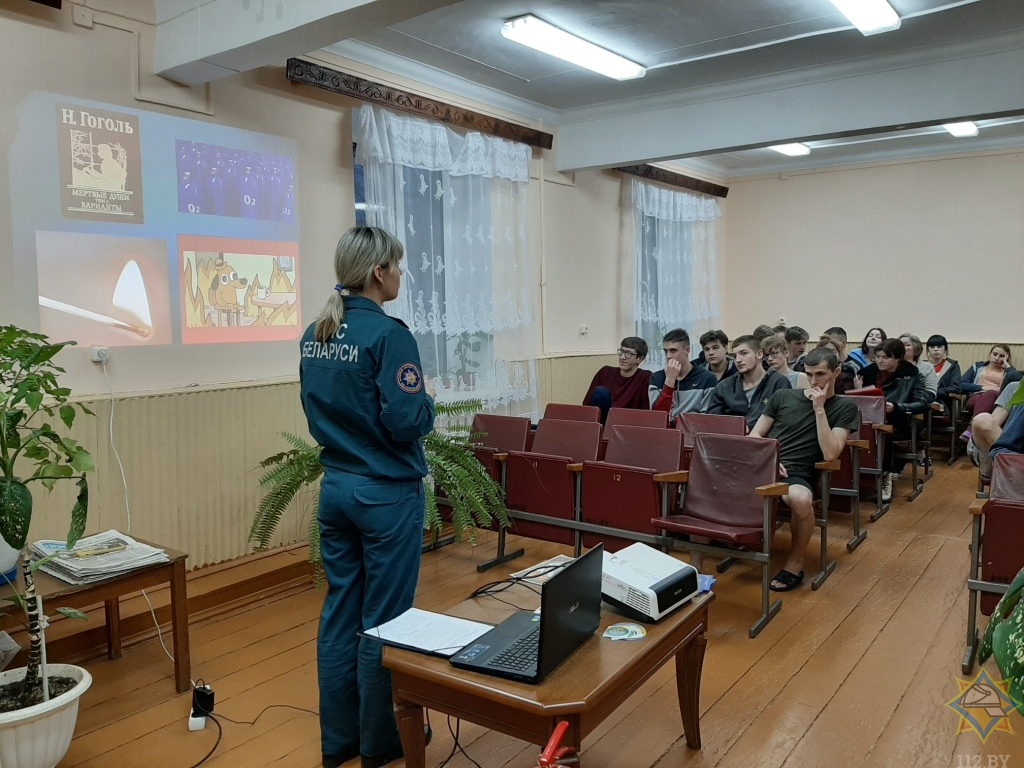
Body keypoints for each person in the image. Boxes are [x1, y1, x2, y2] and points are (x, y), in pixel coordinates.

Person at [299, 227, 436, 768]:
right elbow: (405, 421)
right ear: (380, 272)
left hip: (336, 489)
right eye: (398, 267)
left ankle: (340, 743)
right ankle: (382, 743)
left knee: (339, 615)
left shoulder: (317, 331)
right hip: (386, 495)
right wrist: (424, 401)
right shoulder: (389, 335)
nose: (401, 275)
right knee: (386, 619)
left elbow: (315, 410)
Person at [750, 347, 860, 592]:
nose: (813, 381)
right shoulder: (783, 396)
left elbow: (831, 453)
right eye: (809, 374)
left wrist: (819, 409)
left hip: (796, 474)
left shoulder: (845, 407)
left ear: (837, 372)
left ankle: (795, 562)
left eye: (820, 374)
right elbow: (755, 434)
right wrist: (769, 458)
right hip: (764, 466)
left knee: (801, 500)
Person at [857, 338, 930, 501]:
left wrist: (896, 407)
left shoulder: (911, 374)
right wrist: (858, 390)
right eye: (877, 356)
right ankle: (858, 477)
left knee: (884, 430)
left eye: (885, 357)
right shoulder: (866, 372)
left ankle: (885, 474)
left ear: (897, 358)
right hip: (869, 417)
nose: (879, 361)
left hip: (900, 420)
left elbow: (922, 404)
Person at [706, 335, 791, 430]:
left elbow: (784, 422)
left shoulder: (779, 383)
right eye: (734, 356)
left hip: (765, 441)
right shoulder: (724, 387)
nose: (738, 360)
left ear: (759, 355)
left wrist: (751, 429)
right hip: (731, 440)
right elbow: (712, 423)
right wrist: (738, 429)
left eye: (744, 353)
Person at [649, 328, 718, 419]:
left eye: (673, 351)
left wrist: (674, 422)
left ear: (687, 350)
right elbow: (657, 417)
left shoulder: (707, 378)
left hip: (692, 432)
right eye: (666, 351)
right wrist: (669, 381)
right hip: (665, 432)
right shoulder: (656, 378)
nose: (668, 356)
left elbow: (705, 419)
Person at [583, 337, 651, 422]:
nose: (622, 357)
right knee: (601, 392)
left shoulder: (645, 377)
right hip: (602, 423)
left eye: (628, 354)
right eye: (621, 351)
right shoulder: (605, 372)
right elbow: (587, 405)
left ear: (640, 359)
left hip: (627, 424)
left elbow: (646, 412)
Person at [969, 380, 1021, 479]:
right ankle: (1008, 466)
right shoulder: (1015, 387)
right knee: (982, 420)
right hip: (1008, 450)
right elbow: (994, 421)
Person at [960, 345, 1016, 433]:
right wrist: (982, 387)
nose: (997, 358)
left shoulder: (1009, 372)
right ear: (990, 354)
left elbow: (1016, 385)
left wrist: (1008, 366)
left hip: (996, 401)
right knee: (987, 396)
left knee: (990, 394)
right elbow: (961, 384)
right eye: (995, 354)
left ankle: (971, 430)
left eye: (1001, 356)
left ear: (1007, 357)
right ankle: (974, 430)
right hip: (976, 397)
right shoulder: (977, 367)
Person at [925, 335, 962, 411]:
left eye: (939, 346)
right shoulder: (922, 366)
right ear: (928, 350)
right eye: (932, 347)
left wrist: (933, 392)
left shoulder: (952, 365)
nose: (936, 349)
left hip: (943, 403)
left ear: (945, 349)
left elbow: (955, 388)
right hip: (921, 400)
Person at [899, 334, 938, 401]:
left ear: (915, 348)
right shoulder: (892, 366)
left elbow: (931, 394)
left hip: (918, 405)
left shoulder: (927, 367)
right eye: (899, 345)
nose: (901, 347)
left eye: (906, 345)